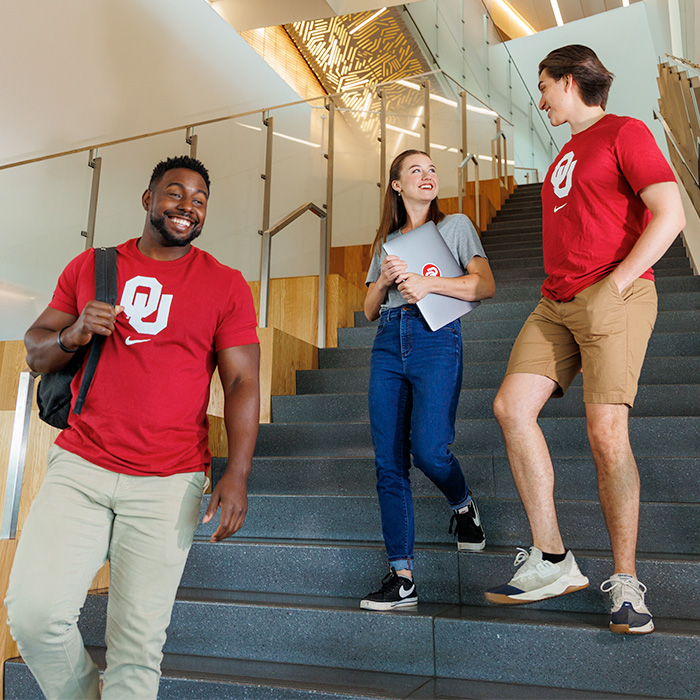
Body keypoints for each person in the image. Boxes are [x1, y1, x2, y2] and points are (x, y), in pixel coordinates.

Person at [5, 155, 261, 697]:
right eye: (175, 193)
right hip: (82, 466)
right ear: (148, 200)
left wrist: (236, 472)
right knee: (32, 616)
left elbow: (241, 383)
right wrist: (74, 334)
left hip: (171, 481)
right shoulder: (91, 267)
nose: (186, 206)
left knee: (136, 650)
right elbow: (35, 349)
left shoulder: (226, 284)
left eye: (199, 199)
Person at [486, 45, 685, 635]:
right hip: (556, 300)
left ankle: (626, 581)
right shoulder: (564, 153)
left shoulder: (625, 131)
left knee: (605, 432)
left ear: (571, 81)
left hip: (614, 293)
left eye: (544, 85)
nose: (539, 97)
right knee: (510, 408)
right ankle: (551, 558)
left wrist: (616, 284)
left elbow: (670, 213)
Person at [360, 149, 496, 611]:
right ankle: (402, 577)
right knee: (389, 462)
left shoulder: (455, 226)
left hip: (436, 337)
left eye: (432, 169)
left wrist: (428, 283)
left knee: (430, 451)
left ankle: (462, 504)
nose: (427, 175)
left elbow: (484, 286)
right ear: (396, 184)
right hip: (387, 341)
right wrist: (382, 281)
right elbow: (368, 309)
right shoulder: (387, 240)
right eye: (415, 170)